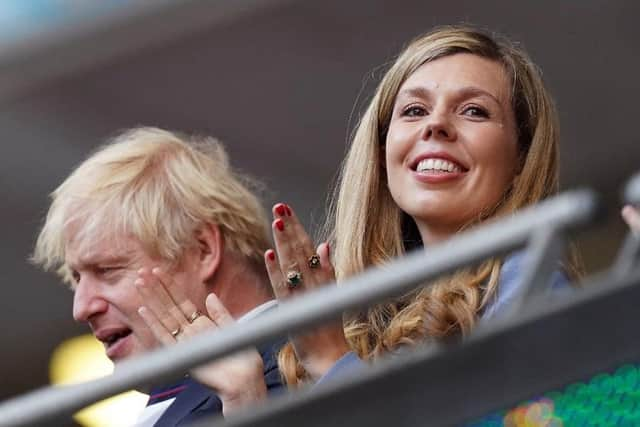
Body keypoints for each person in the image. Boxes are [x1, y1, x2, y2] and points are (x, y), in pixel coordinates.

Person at [264, 25, 579, 386]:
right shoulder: (368, 318)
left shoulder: (530, 279)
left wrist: (332, 359)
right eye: (414, 110)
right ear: (381, 152)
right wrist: (242, 397)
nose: (436, 125)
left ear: (522, 156)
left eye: (474, 111)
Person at [32, 127, 283, 425]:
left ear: (202, 249)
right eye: (76, 279)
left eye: (107, 270)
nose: (82, 308)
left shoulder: (297, 371)